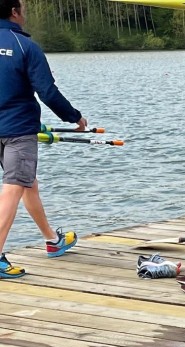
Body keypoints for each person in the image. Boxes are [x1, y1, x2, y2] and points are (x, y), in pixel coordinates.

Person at [0, 0, 86, 279]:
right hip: (17, 132)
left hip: (14, 126)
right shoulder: (26, 46)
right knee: (14, 187)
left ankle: (52, 240)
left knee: (28, 183)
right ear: (14, 12)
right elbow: (47, 92)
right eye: (22, 8)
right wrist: (74, 118)